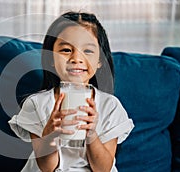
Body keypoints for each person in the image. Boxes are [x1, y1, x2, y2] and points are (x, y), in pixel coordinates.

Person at [8, 11, 134, 172]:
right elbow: (47, 167)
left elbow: (103, 169)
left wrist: (92, 135)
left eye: (87, 51)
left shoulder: (110, 106)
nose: (76, 58)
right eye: (66, 50)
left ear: (100, 60)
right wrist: (50, 136)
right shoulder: (36, 104)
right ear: (51, 59)